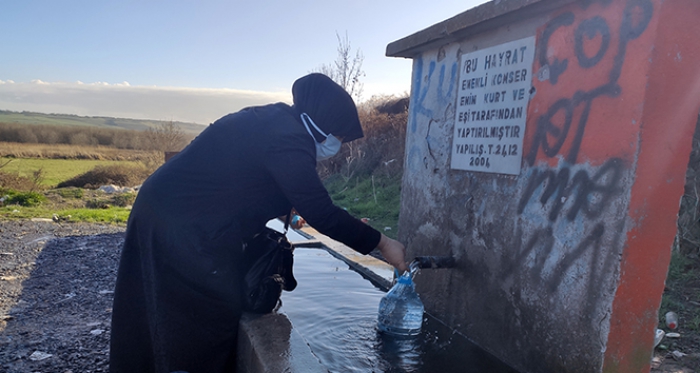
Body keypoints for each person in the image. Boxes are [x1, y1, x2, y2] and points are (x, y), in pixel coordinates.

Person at [109, 73, 408, 373]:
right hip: (181, 221)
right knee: (205, 307)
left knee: (162, 302)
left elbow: (244, 177)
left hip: (169, 208)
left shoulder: (277, 120)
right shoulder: (289, 138)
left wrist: (287, 214)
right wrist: (383, 244)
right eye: (339, 136)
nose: (337, 144)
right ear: (322, 125)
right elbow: (322, 212)